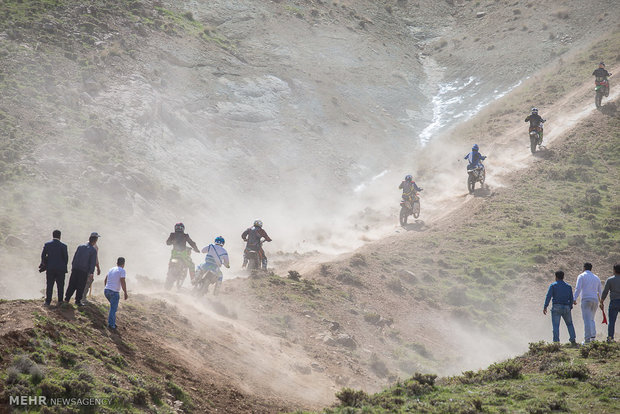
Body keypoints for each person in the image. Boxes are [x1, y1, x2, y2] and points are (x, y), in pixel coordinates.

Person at [64, 233, 98, 306]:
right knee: (81, 286)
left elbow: (75, 257)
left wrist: (73, 266)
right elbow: (92, 262)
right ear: (95, 241)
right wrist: (91, 273)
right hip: (84, 271)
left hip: (75, 269)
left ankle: (67, 299)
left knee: (72, 284)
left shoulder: (80, 246)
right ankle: (77, 301)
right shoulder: (93, 250)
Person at [543, 270, 576, 344]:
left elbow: (548, 296)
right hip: (566, 307)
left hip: (556, 307)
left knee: (556, 325)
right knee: (569, 324)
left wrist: (545, 306)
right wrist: (570, 307)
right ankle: (573, 339)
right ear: (563, 277)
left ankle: (556, 342)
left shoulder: (553, 285)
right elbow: (571, 298)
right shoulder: (568, 286)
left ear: (556, 277)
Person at [573, 262, 602, 344]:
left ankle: (587, 340)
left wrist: (574, 298)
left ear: (584, 268)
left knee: (586, 320)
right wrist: (601, 302)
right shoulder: (596, 278)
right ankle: (593, 338)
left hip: (586, 299)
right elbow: (600, 291)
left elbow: (578, 288)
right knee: (592, 319)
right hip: (595, 300)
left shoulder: (581, 276)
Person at [40, 230, 69, 306]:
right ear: (60, 236)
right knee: (60, 285)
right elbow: (66, 258)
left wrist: (44, 264)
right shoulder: (64, 246)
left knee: (49, 285)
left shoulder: (47, 244)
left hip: (50, 268)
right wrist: (63, 266)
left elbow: (43, 255)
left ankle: (48, 301)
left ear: (52, 235)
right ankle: (60, 301)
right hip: (60, 269)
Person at [104, 257, 128, 330]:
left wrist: (107, 287)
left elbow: (105, 279)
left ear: (117, 263)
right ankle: (111, 325)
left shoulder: (111, 269)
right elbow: (122, 281)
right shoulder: (122, 270)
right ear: (123, 264)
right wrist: (125, 292)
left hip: (106, 291)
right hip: (114, 292)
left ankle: (113, 322)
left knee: (113, 307)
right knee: (113, 308)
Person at [600, 264, 620, 343]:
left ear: (614, 270)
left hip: (614, 301)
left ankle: (610, 338)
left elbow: (605, 292)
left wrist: (602, 301)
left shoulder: (610, 280)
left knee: (612, 321)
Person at [83, 232, 101, 302]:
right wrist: (98, 268)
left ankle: (80, 297)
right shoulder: (95, 247)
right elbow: (95, 259)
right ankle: (83, 297)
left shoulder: (85, 244)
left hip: (82, 266)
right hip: (89, 268)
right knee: (88, 281)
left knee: (83, 282)